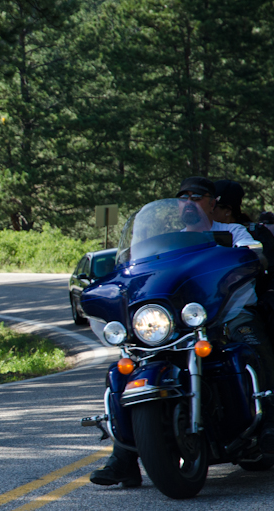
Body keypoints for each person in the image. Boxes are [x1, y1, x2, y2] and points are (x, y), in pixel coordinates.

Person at [90, 176, 274, 487]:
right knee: (130, 368)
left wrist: (250, 253)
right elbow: (140, 273)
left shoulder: (231, 232)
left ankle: (268, 423)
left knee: (254, 346)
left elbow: (252, 255)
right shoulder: (168, 241)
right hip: (178, 323)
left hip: (229, 314)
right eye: (183, 196)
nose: (189, 201)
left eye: (197, 196)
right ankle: (123, 455)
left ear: (212, 202)